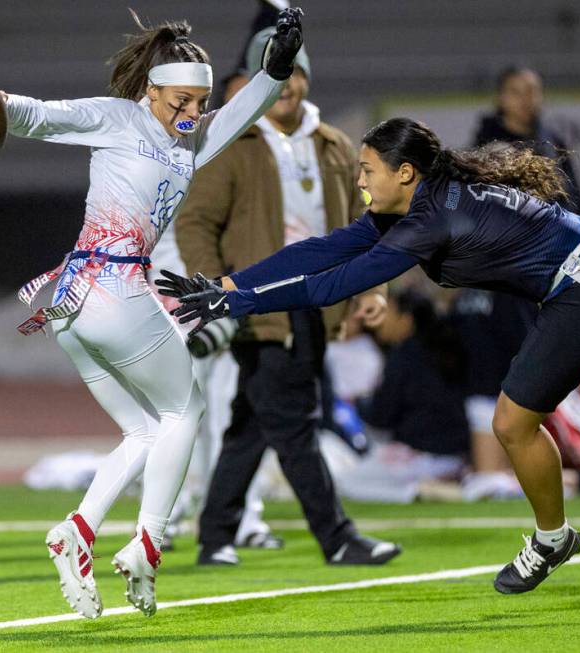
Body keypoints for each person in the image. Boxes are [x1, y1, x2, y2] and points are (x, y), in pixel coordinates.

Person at [160, 117, 580, 616]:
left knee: (511, 422)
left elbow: (335, 284)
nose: (359, 181)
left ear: (406, 172)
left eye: (366, 170)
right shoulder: (424, 201)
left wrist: (238, 301)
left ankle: (553, 538)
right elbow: (326, 248)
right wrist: (230, 282)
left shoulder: (425, 225)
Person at [0, 7, 306, 619]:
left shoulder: (190, 137)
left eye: (198, 100)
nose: (191, 112)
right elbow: (39, 116)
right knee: (186, 408)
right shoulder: (119, 117)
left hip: (72, 302)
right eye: (180, 100)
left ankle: (78, 532)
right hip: (110, 291)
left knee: (145, 429)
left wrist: (273, 70)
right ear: (151, 90)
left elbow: (243, 112)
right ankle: (148, 543)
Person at [171, 24, 400, 567]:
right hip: (256, 302)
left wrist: (374, 285)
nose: (290, 84)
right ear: (259, 79)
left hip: (317, 303)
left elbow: (362, 221)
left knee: (252, 422)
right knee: (295, 421)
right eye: (280, 72)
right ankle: (338, 537)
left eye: (297, 71)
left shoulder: (335, 144)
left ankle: (216, 536)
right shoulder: (232, 139)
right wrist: (215, 295)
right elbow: (197, 223)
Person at [473, 65, 580, 214]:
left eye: (532, 91)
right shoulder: (484, 149)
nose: (525, 99)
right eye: (516, 92)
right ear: (500, 98)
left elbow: (575, 201)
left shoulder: (554, 144)